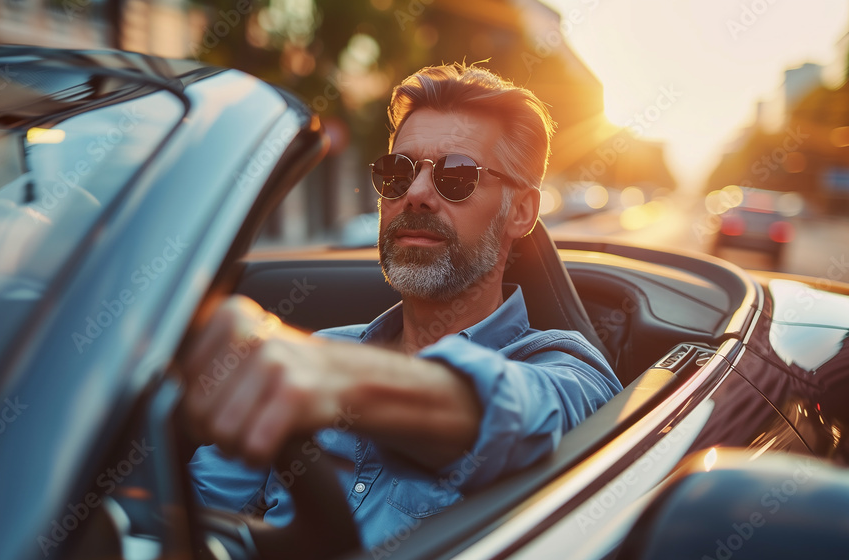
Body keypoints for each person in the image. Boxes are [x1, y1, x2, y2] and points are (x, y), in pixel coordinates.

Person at [182, 62, 622, 552]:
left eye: (457, 175)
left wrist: (335, 377)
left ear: (520, 211)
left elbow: (520, 414)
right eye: (397, 171)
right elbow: (194, 512)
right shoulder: (319, 351)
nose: (414, 194)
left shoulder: (573, 371)